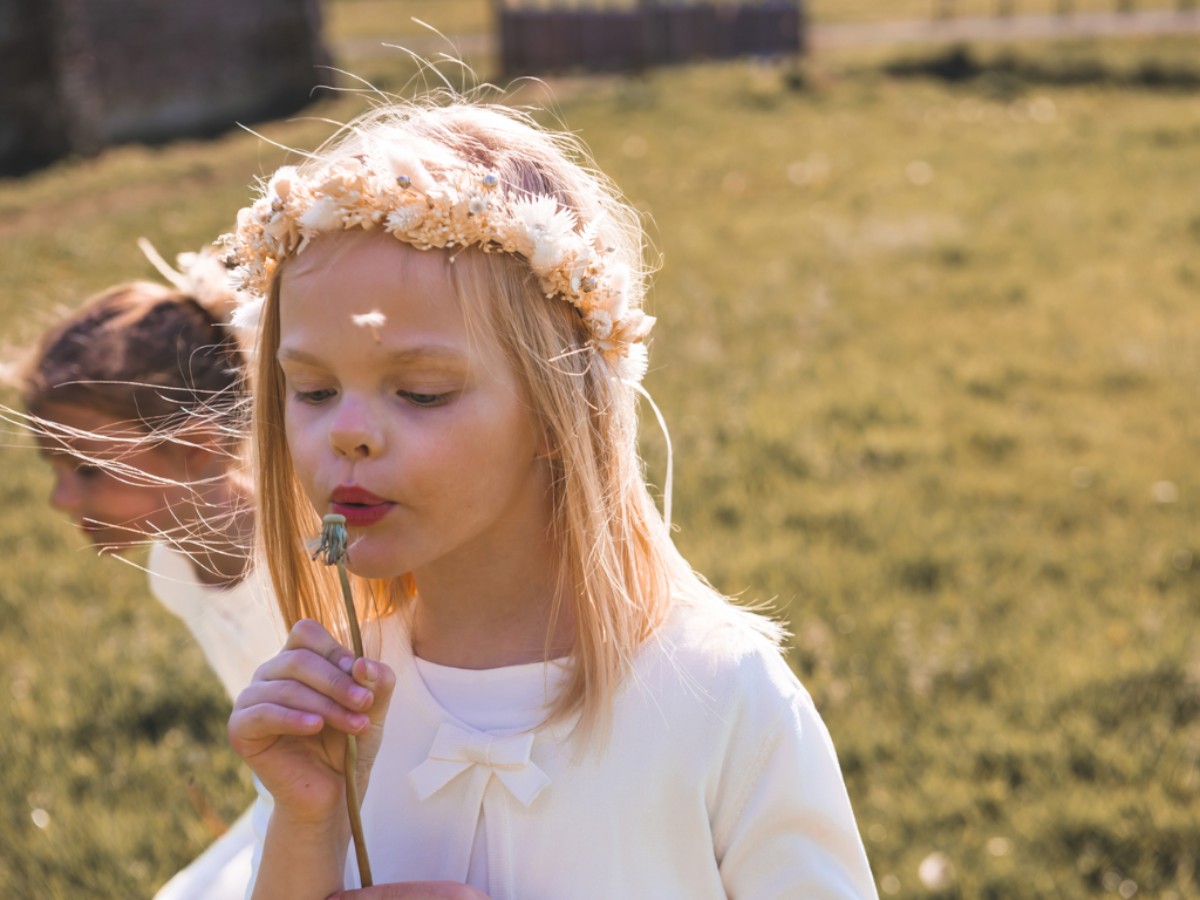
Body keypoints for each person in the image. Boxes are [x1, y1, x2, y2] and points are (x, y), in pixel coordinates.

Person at [223, 97, 877, 900]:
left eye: (422, 393)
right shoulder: (331, 715)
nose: (348, 434)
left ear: (556, 411)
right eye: (314, 390)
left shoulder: (719, 699)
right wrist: (307, 822)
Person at [12, 247, 284, 900]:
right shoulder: (172, 568)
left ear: (195, 449)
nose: (60, 501)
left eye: (87, 471)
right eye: (54, 469)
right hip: (293, 793)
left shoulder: (299, 554)